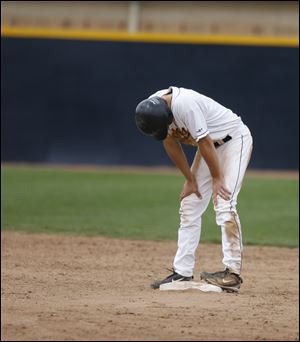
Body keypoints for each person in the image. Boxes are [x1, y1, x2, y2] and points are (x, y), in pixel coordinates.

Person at [135, 86, 253, 292]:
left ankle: (232, 273)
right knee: (190, 204)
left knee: (225, 202)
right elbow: (170, 142)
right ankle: (182, 272)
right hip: (209, 149)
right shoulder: (153, 107)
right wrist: (190, 179)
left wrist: (218, 178)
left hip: (234, 140)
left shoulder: (185, 105)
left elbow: (204, 141)